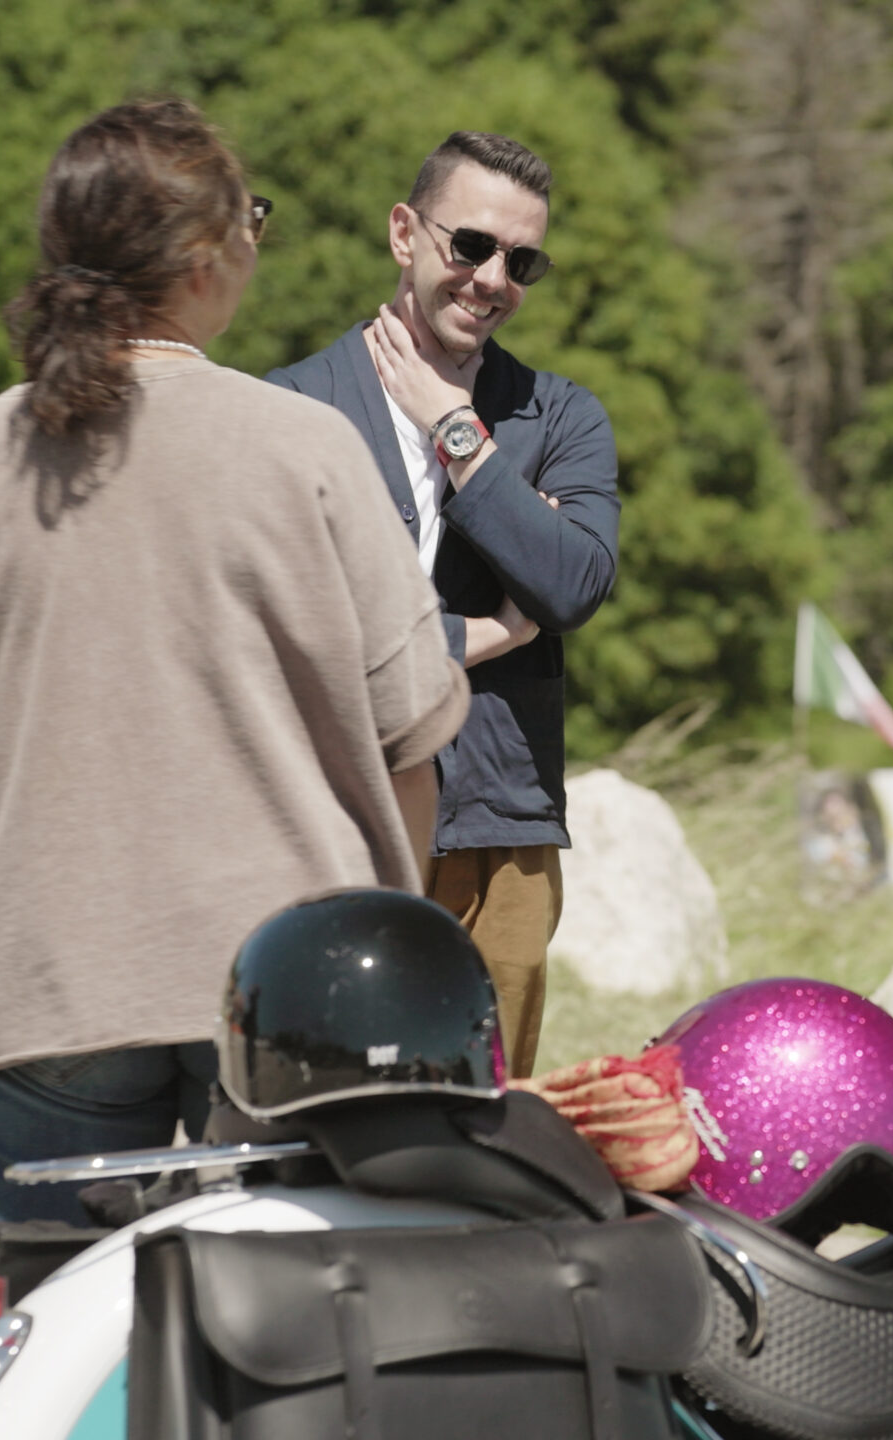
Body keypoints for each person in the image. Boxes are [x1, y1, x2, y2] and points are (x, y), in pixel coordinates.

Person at [0, 99, 469, 1222]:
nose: (257, 240)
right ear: (203, 259)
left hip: (58, 979)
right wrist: (392, 930)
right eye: (252, 218)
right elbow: (414, 731)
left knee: (36, 1358)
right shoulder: (306, 449)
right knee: (292, 1359)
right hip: (300, 992)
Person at [268, 132, 620, 1081]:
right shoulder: (292, 409)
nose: (492, 278)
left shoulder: (563, 417)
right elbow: (303, 634)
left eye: (522, 261)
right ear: (404, 234)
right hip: (336, 810)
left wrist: (458, 436)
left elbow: (576, 585)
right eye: (470, 245)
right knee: (326, 1095)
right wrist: (497, 628)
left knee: (486, 1113)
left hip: (503, 825)